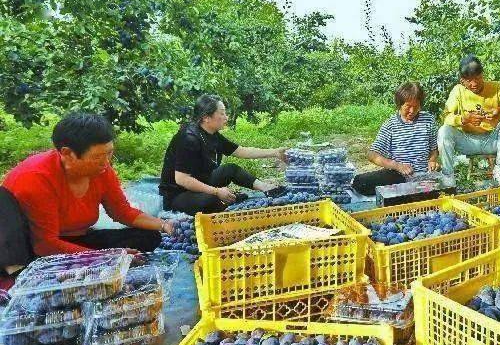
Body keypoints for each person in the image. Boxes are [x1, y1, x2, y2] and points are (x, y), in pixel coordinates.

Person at [2, 113, 168, 258]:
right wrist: (105, 258)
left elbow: (121, 211)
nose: (106, 162)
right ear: (67, 154)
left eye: (109, 153)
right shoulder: (36, 180)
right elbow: (45, 245)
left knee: (148, 237)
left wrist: (165, 225)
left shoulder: (102, 170)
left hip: (79, 239)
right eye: (97, 157)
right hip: (38, 250)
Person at [160, 94, 287, 215]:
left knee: (231, 169)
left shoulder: (211, 133)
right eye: (222, 113)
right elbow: (182, 179)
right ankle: (227, 203)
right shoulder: (188, 138)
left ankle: (266, 188)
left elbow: (241, 151)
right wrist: (216, 191)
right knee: (211, 200)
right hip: (178, 194)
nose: (226, 117)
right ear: (206, 117)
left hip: (201, 181)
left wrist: (275, 152)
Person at [438, 55, 500, 184]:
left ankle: (499, 169)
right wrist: (464, 119)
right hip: (467, 141)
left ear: (482, 75)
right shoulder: (458, 91)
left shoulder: (496, 87)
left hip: (493, 140)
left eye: (477, 78)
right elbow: (446, 117)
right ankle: (448, 177)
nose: (474, 83)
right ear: (462, 81)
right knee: (444, 130)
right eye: (469, 80)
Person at [352, 82, 439, 195]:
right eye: (408, 106)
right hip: (398, 176)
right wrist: (397, 166)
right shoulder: (391, 125)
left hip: (424, 176)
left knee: (445, 187)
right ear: (400, 104)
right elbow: (372, 154)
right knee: (360, 182)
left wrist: (432, 161)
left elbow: (434, 149)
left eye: (416, 107)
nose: (412, 111)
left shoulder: (429, 120)